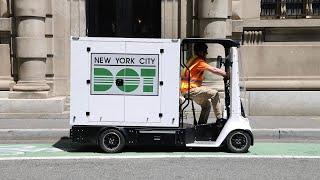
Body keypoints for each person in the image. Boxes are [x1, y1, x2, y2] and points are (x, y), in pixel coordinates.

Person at [180, 43, 228, 125]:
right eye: (205, 51)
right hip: (191, 89)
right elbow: (214, 70)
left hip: (188, 89)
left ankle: (201, 126)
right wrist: (228, 75)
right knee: (214, 93)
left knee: (206, 105)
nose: (207, 53)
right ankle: (220, 119)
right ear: (200, 52)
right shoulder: (199, 62)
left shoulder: (193, 60)